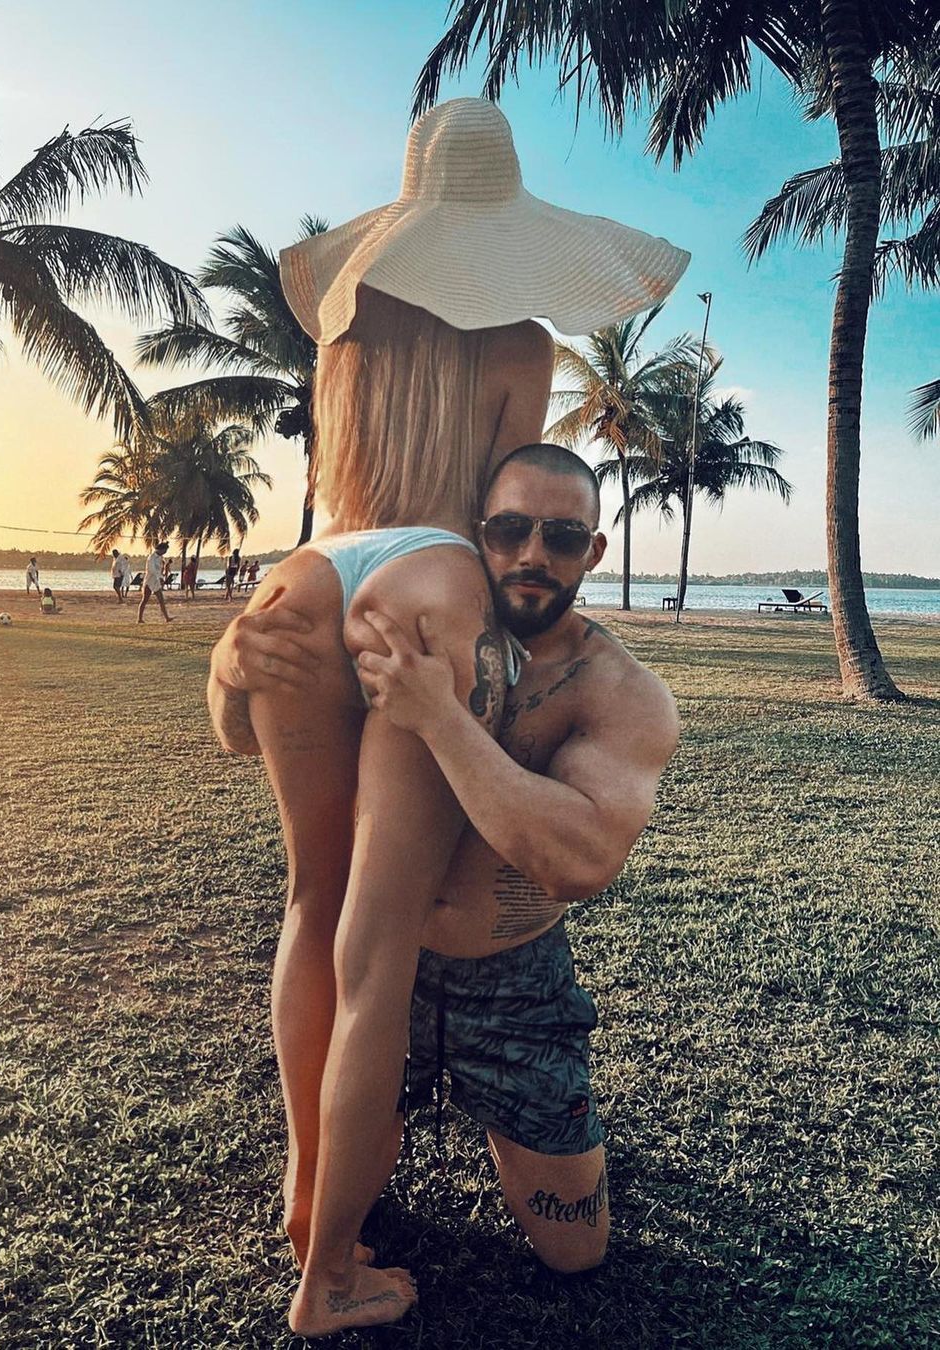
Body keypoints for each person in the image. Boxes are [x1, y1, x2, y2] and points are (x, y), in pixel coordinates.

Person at [208, 98, 687, 1336]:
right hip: (427, 571)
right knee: (376, 955)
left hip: (312, 569)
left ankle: (309, 1195)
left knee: (309, 906)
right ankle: (328, 1279)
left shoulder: (347, 336)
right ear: (501, 225)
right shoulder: (519, 341)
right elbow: (501, 501)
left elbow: (334, 504)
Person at [212, 444, 679, 1281]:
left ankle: (507, 1119)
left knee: (576, 1250)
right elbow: (248, 738)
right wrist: (228, 673)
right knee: (349, 1203)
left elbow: (577, 861)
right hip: (386, 967)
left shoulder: (618, 691)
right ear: (475, 534)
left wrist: (441, 719)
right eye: (509, 529)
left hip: (511, 983)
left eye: (563, 537)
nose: (532, 554)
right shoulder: (412, 626)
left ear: (594, 553)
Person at [138, 541, 172, 624]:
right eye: (165, 550)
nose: (165, 552)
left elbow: (160, 570)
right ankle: (139, 619)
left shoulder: (160, 558)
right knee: (144, 600)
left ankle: (167, 618)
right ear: (161, 549)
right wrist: (159, 577)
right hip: (149, 581)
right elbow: (152, 570)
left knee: (161, 600)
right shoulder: (151, 558)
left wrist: (161, 578)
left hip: (156, 582)